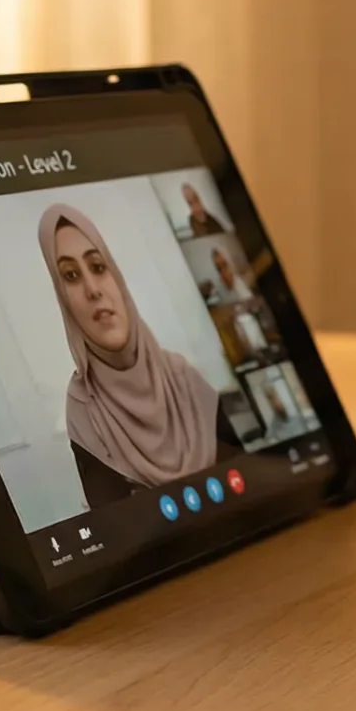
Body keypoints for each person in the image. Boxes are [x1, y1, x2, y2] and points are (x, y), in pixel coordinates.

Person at [37, 203, 239, 505]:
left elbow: (246, 482)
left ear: (117, 279)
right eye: (70, 275)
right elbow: (119, 532)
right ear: (63, 300)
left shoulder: (183, 378)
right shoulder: (83, 408)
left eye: (98, 267)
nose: (93, 289)